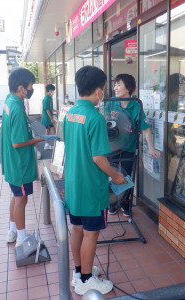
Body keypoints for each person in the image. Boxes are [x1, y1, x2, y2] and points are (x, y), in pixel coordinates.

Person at [63, 66, 126, 295]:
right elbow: (99, 157)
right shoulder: (95, 118)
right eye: (104, 89)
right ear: (99, 90)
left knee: (76, 229)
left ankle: (79, 272)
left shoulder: (70, 113)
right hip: (91, 186)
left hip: (73, 184)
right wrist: (116, 176)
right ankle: (87, 280)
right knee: (91, 233)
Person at [1, 68, 59, 248]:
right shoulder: (17, 108)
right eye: (30, 85)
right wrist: (41, 138)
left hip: (12, 162)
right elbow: (18, 142)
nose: (32, 88)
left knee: (17, 196)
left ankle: (12, 230)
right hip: (20, 164)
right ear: (21, 88)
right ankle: (21, 237)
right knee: (22, 199)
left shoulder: (9, 101)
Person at [106, 73, 160, 216]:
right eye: (115, 85)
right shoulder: (110, 102)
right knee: (111, 174)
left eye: (119, 85)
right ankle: (112, 202)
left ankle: (125, 203)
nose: (115, 88)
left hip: (128, 148)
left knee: (126, 176)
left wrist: (151, 147)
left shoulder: (136, 106)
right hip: (111, 147)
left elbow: (145, 129)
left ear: (128, 88)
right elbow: (103, 122)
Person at [41, 84, 57, 149]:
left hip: (48, 118)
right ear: (50, 90)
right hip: (47, 119)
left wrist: (57, 111)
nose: (53, 92)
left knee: (47, 130)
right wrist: (51, 119)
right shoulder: (46, 98)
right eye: (53, 90)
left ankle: (46, 144)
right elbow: (47, 110)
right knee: (53, 130)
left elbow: (50, 108)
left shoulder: (49, 97)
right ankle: (57, 145)